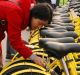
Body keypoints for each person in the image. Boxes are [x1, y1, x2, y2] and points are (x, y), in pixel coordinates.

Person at [0, 0, 53, 70]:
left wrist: (22, 44)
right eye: (40, 23)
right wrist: (34, 58)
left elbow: (13, 35)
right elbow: (15, 42)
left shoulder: (22, 10)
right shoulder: (16, 11)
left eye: (42, 26)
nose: (39, 27)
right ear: (34, 15)